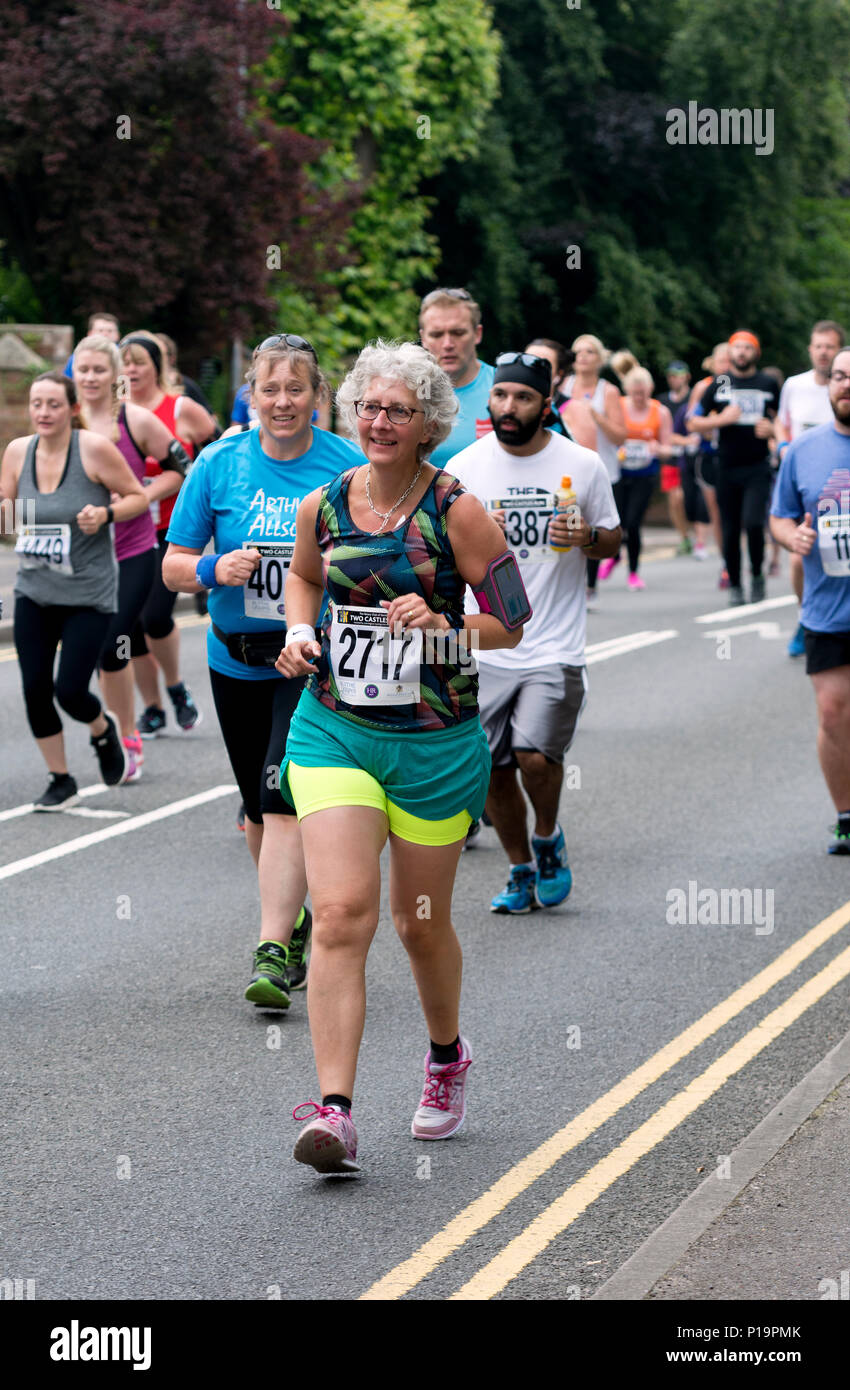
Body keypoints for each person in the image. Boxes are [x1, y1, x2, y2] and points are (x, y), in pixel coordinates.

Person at [276, 340, 526, 1174]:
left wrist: (447, 627)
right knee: (342, 913)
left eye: (399, 412)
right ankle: (335, 1112)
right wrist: (300, 631)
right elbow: (305, 580)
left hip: (435, 743)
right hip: (335, 731)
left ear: (428, 426)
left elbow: (511, 621)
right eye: (370, 408)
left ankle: (446, 1055)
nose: (380, 423)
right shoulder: (324, 503)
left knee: (416, 928)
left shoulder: (457, 510)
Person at [162, 333, 361, 1004]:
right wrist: (215, 567)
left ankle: (271, 950)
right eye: (268, 389)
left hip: (306, 660)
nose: (281, 402)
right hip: (233, 657)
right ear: (250, 394)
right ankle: (294, 918)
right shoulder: (217, 464)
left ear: (316, 396)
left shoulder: (344, 465)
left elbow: (372, 555)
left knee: (281, 794)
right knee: (256, 806)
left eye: (295, 389)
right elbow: (172, 563)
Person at [451, 351, 621, 914]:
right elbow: (441, 556)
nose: (508, 406)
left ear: (545, 405)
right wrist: (476, 538)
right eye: (500, 395)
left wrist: (588, 538)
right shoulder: (467, 469)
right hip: (489, 641)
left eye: (522, 397)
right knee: (493, 768)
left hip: (555, 643)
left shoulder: (583, 465)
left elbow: (614, 540)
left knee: (535, 758)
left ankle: (547, 836)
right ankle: (520, 867)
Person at [0, 371, 148, 808]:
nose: (43, 412)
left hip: (88, 594)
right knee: (33, 689)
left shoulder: (94, 451)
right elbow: (8, 519)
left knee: (69, 691)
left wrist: (104, 516)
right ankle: (60, 778)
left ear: (72, 409)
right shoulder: (16, 452)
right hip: (34, 589)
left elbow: (137, 497)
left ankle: (102, 728)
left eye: (53, 404)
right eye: (37, 404)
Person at [73, 336, 184, 780]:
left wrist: (142, 496)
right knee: (91, 656)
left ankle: (125, 736)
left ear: (115, 374)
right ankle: (114, 728)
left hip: (134, 550)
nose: (90, 378)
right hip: (83, 557)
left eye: (99, 370)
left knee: (112, 644)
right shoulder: (65, 422)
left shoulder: (134, 421)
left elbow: (181, 468)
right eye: (83, 370)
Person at [770, 344, 850, 855]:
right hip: (829, 608)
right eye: (840, 377)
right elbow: (779, 515)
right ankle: (846, 815)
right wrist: (789, 539)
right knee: (832, 713)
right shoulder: (803, 450)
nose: (846, 385)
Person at [119, 330, 217, 734]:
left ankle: (175, 688)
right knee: (128, 627)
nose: (131, 369)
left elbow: (219, 456)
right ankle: (155, 706)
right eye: (124, 362)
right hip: (125, 533)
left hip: (172, 532)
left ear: (156, 366)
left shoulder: (181, 409)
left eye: (139, 361)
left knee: (155, 616)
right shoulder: (112, 414)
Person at [687, 330, 780, 605]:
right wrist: (720, 421)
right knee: (729, 528)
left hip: (757, 466)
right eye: (736, 348)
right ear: (730, 353)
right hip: (726, 466)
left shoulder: (767, 383)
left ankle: (757, 575)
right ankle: (736, 585)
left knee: (752, 523)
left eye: (747, 348)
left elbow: (783, 421)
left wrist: (772, 429)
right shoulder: (720, 383)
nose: (741, 353)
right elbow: (693, 422)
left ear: (756, 353)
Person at [776, 320, 844, 657]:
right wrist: (782, 447)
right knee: (800, 559)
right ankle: (808, 619)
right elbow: (781, 421)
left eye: (829, 346)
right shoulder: (794, 385)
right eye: (818, 346)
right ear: (810, 349)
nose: (823, 352)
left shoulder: (844, 386)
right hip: (810, 482)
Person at [557, 335, 625, 600]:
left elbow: (621, 436)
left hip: (603, 468)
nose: (583, 356)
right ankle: (570, 583)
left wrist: (593, 415)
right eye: (578, 352)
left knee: (592, 524)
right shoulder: (563, 386)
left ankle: (591, 583)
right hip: (567, 469)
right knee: (568, 518)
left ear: (599, 358)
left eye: (589, 352)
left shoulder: (608, 391)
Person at [598, 367, 674, 590]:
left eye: (643, 392)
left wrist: (657, 448)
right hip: (619, 473)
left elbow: (668, 449)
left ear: (650, 389)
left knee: (633, 522)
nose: (639, 397)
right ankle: (615, 556)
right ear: (627, 390)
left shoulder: (660, 412)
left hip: (645, 474)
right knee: (617, 521)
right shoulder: (618, 407)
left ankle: (633, 573)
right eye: (635, 393)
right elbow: (607, 435)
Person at [418, 288, 494, 465]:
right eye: (436, 334)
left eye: (458, 333)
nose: (447, 344)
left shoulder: (506, 388)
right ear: (423, 338)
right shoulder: (408, 392)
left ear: (477, 333)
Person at [658, 361, 710, 557]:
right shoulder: (663, 400)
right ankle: (684, 537)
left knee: (695, 497)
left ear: (687, 376)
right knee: (676, 500)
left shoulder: (694, 400)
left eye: (677, 374)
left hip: (693, 458)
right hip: (672, 456)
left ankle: (700, 540)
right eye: (670, 375)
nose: (673, 378)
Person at [688, 342, 729, 585]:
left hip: (735, 455)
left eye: (729, 360)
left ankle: (734, 558)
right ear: (712, 363)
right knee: (717, 512)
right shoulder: (703, 387)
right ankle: (726, 562)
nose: (725, 365)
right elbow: (691, 421)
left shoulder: (740, 386)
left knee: (731, 512)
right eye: (721, 361)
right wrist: (714, 424)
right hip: (709, 455)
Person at [63, 312, 120, 378]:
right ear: (90, 334)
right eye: (100, 330)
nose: (105, 334)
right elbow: (68, 381)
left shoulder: (124, 356)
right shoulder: (77, 357)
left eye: (110, 331)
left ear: (118, 335)